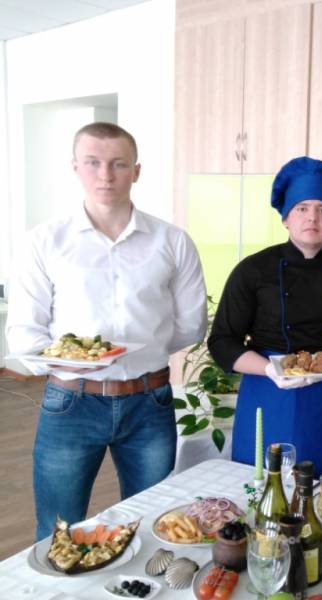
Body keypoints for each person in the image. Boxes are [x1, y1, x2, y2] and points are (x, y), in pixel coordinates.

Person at [6, 122, 208, 541]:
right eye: (93, 163)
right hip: (70, 403)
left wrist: (141, 352)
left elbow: (191, 324)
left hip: (149, 401)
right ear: (75, 167)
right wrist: (78, 361)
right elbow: (25, 334)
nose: (105, 175)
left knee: (152, 527)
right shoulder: (44, 241)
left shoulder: (172, 241)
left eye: (118, 164)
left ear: (136, 171)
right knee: (57, 530)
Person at [208, 157, 322, 478]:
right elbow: (222, 341)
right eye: (302, 208)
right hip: (266, 393)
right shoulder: (253, 271)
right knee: (259, 487)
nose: (312, 217)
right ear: (286, 217)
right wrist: (269, 370)